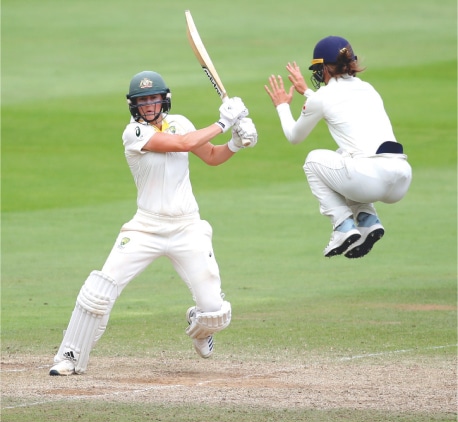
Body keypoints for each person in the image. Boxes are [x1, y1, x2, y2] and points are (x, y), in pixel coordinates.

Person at [49, 70, 258, 375]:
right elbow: (183, 144)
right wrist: (224, 123)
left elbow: (211, 155)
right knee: (99, 290)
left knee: (214, 313)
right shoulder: (133, 133)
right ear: (133, 105)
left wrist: (236, 143)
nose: (149, 105)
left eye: (154, 98)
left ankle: (199, 328)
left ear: (164, 99)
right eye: (142, 100)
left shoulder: (181, 122)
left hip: (187, 227)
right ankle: (69, 355)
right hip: (145, 227)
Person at [264, 36, 412, 258]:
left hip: (369, 180)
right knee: (344, 155)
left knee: (313, 161)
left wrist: (283, 106)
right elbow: (339, 106)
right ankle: (367, 219)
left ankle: (342, 225)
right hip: (401, 178)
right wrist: (307, 93)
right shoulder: (368, 89)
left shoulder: (323, 97)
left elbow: (294, 136)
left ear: (323, 68)